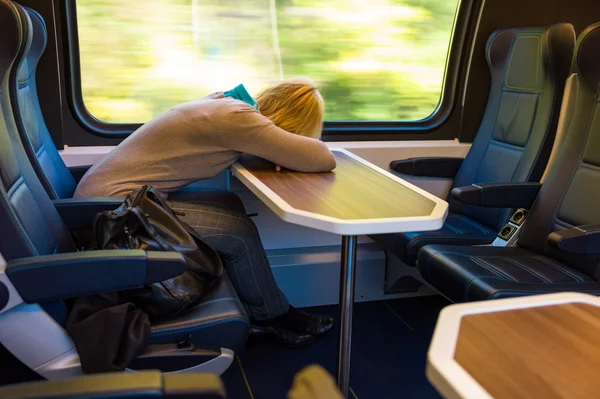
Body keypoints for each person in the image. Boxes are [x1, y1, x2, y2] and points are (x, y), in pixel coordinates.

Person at [74, 78, 336, 347]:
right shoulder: (241, 120)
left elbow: (253, 147)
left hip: (114, 199)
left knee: (227, 202)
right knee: (237, 233)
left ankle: (256, 306)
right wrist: (288, 151)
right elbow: (324, 158)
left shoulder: (226, 105)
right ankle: (273, 315)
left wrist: (278, 152)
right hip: (115, 213)